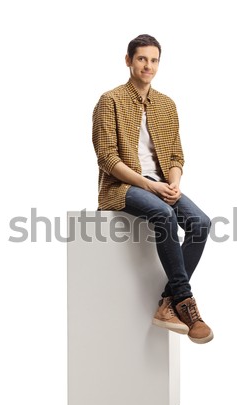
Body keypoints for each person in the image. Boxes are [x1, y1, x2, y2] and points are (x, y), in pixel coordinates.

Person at [92, 34, 213, 344]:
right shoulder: (111, 100)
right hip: (121, 188)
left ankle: (167, 303)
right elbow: (107, 157)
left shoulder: (166, 104)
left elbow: (175, 155)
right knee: (163, 214)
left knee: (200, 223)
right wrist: (150, 185)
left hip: (161, 186)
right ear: (128, 60)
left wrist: (173, 183)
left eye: (154, 60)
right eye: (142, 58)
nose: (148, 65)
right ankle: (186, 304)